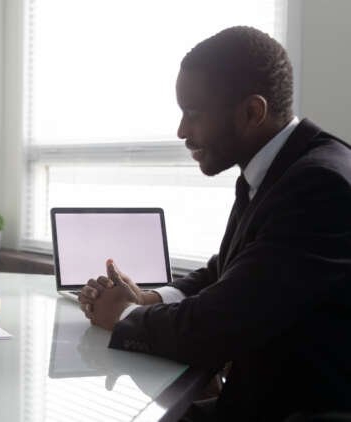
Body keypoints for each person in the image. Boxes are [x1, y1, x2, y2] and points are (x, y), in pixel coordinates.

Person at [78, 26, 351, 420]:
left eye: (193, 113)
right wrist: (148, 299)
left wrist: (122, 316)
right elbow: (225, 272)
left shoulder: (319, 185)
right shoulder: (281, 169)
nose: (182, 131)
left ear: (251, 112)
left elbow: (215, 327)